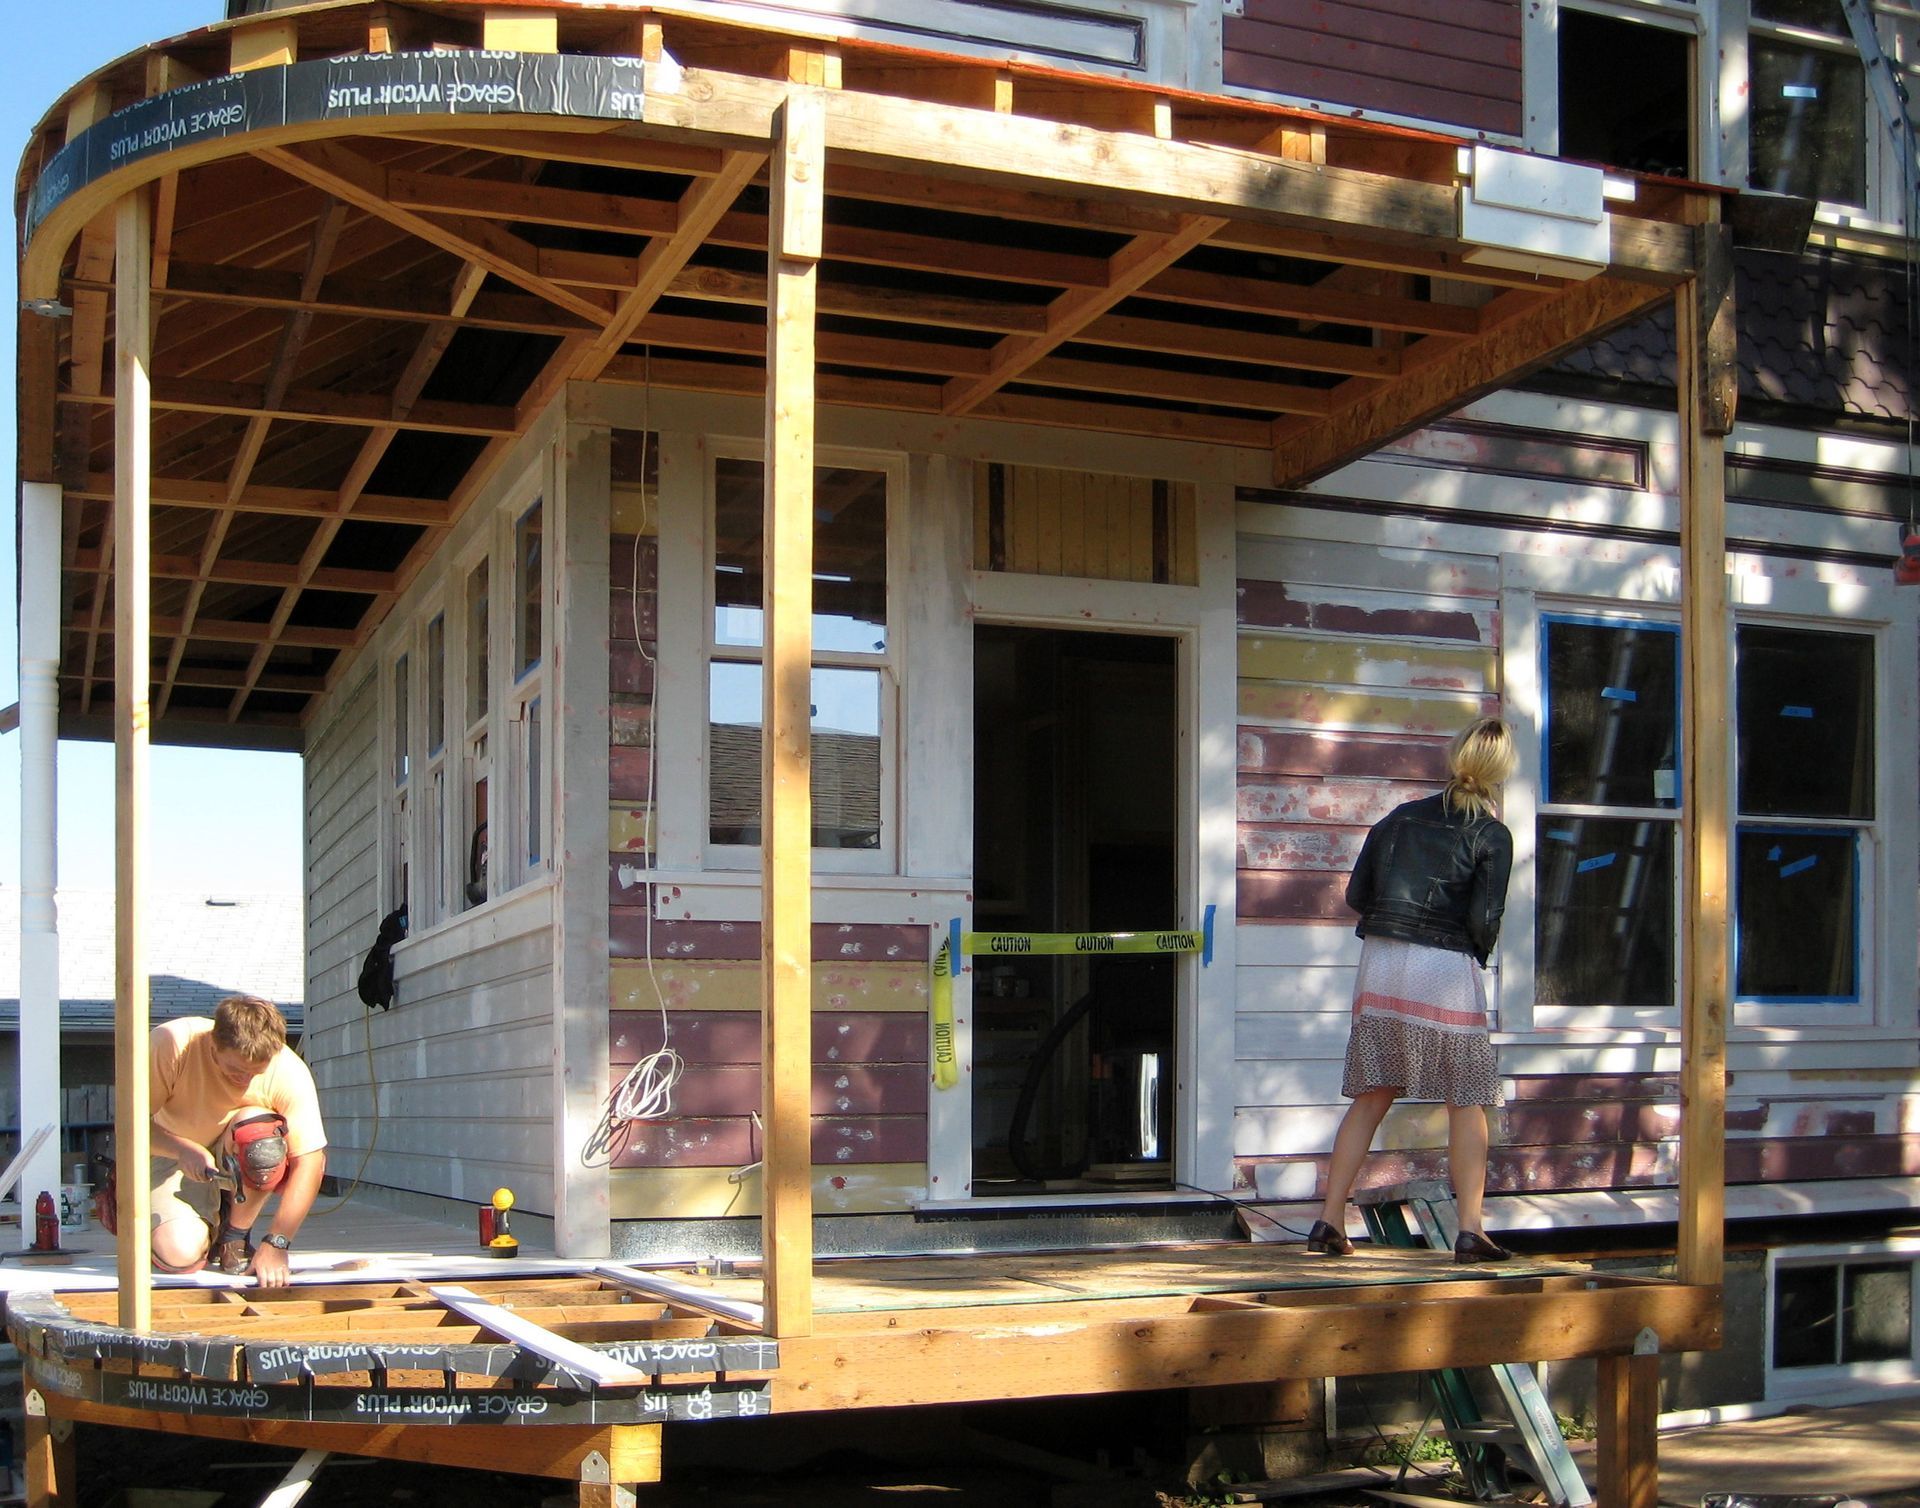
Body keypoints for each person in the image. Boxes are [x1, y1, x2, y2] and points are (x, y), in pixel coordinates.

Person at [1309, 717, 1518, 1264]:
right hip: (1444, 965)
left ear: (1453, 759)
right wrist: (1474, 953)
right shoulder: (1491, 833)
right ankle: (1471, 1231)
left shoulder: (1400, 819)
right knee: (1466, 1098)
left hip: (1381, 960)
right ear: (1501, 773)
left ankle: (1329, 1220)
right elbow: (1485, 917)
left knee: (1373, 1092)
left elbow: (1358, 892)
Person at [148, 994, 328, 1286]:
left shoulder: (288, 1070)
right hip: (169, 1154)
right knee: (179, 1254)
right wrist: (182, 1150)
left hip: (234, 1153)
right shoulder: (171, 1044)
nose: (245, 1080)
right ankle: (186, 1224)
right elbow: (129, 1127)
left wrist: (277, 1243)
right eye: (235, 1070)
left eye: (255, 1072)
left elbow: (310, 1160)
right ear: (213, 1045)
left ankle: (234, 1238)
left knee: (261, 1137)